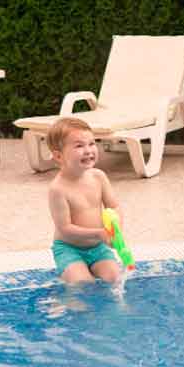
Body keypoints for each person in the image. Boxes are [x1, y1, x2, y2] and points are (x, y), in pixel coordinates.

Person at [46, 117, 123, 284]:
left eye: (92, 143)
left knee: (115, 278)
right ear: (59, 156)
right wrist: (99, 233)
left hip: (97, 247)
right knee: (82, 284)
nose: (88, 150)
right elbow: (65, 228)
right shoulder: (58, 189)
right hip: (69, 249)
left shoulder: (99, 177)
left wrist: (116, 231)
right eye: (79, 146)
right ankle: (62, 300)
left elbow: (114, 206)